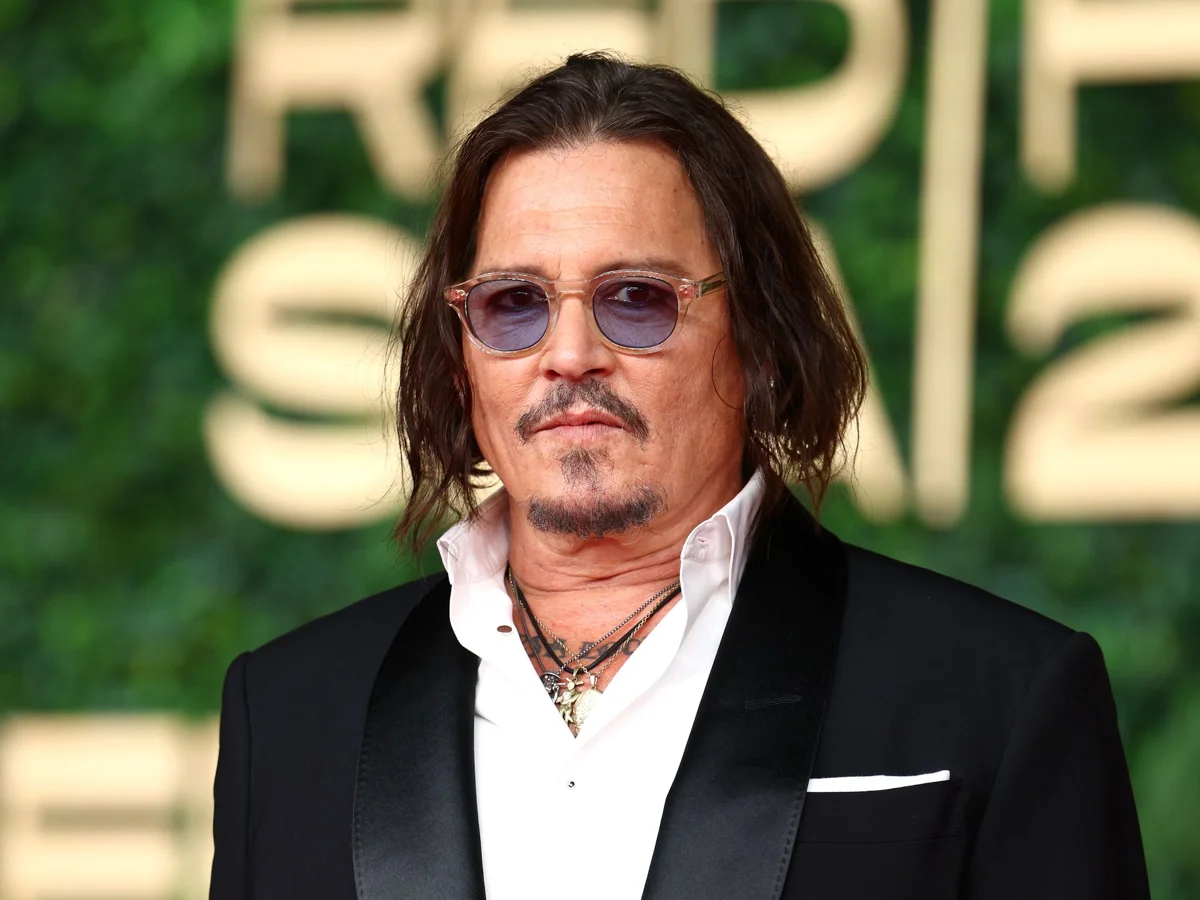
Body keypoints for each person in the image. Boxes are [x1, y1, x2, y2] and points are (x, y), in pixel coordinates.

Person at [208, 53, 1149, 900]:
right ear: (462, 363)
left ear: (762, 342)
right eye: (513, 304)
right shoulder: (288, 714)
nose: (568, 353)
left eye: (635, 299)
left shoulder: (1000, 695)